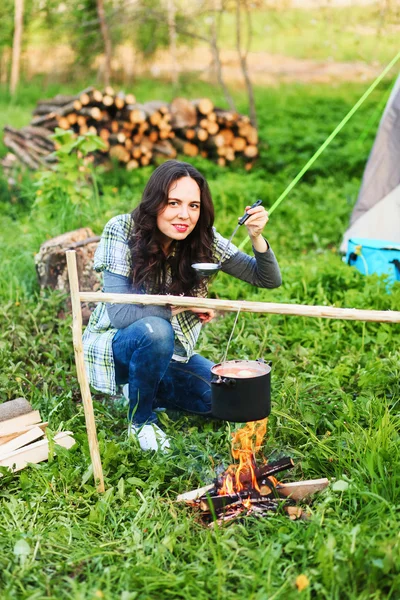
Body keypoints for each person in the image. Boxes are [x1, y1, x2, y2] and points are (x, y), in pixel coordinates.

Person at [83, 160, 281, 452]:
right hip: (117, 346)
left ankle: (144, 389)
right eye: (173, 202)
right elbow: (121, 314)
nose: (184, 215)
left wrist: (256, 237)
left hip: (174, 355)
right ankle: (140, 421)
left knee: (225, 402)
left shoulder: (202, 239)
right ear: (155, 202)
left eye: (194, 205)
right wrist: (183, 306)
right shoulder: (122, 228)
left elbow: (266, 278)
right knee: (156, 330)